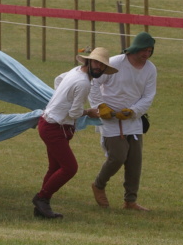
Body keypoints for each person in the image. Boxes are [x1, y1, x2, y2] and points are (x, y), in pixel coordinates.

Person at [32, 48, 118, 219]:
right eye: (96, 62)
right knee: (70, 168)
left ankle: (42, 205)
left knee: (55, 167)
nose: (98, 67)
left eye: (102, 65)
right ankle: (41, 199)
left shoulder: (75, 71)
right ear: (88, 61)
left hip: (50, 123)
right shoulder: (84, 83)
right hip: (54, 128)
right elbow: (74, 113)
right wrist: (89, 112)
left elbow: (58, 80)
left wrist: (61, 99)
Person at [88, 32, 157, 211]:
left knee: (135, 161)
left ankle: (130, 201)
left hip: (132, 120)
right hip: (109, 119)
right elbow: (94, 83)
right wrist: (100, 106)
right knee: (117, 157)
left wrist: (133, 111)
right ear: (135, 48)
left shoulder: (150, 69)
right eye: (144, 50)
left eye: (149, 51)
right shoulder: (115, 63)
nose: (146, 54)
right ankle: (99, 185)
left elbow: (149, 95)